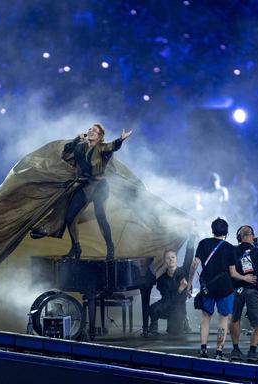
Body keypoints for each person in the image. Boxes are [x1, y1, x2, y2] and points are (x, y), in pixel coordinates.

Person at [61, 123, 132, 260]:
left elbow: (113, 146)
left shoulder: (103, 148)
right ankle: (76, 248)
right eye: (90, 129)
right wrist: (76, 139)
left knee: (101, 217)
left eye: (95, 131)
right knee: (70, 217)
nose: (91, 131)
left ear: (100, 136)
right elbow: (66, 151)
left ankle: (110, 248)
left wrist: (121, 139)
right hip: (85, 186)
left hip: (100, 186)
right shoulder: (81, 146)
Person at [188, 218, 255, 360]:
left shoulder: (203, 243)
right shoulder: (230, 248)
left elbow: (194, 264)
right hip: (225, 287)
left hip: (208, 286)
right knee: (223, 319)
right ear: (226, 231)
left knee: (205, 317)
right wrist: (245, 278)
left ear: (212, 229)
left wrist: (189, 283)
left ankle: (203, 349)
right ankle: (219, 351)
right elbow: (233, 273)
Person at [230, 225, 258, 363]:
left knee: (235, 319)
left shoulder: (233, 251)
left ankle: (235, 350)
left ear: (239, 237)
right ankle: (252, 352)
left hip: (236, 290)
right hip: (253, 291)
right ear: (252, 236)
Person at [148, 242, 194, 336]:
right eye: (168, 258)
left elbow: (188, 256)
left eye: (173, 257)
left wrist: (191, 239)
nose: (171, 260)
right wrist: (180, 290)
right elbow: (168, 299)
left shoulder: (183, 271)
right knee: (153, 308)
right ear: (165, 261)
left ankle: (184, 320)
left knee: (174, 332)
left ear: (176, 259)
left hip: (178, 307)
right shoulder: (162, 278)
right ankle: (154, 325)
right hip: (167, 305)